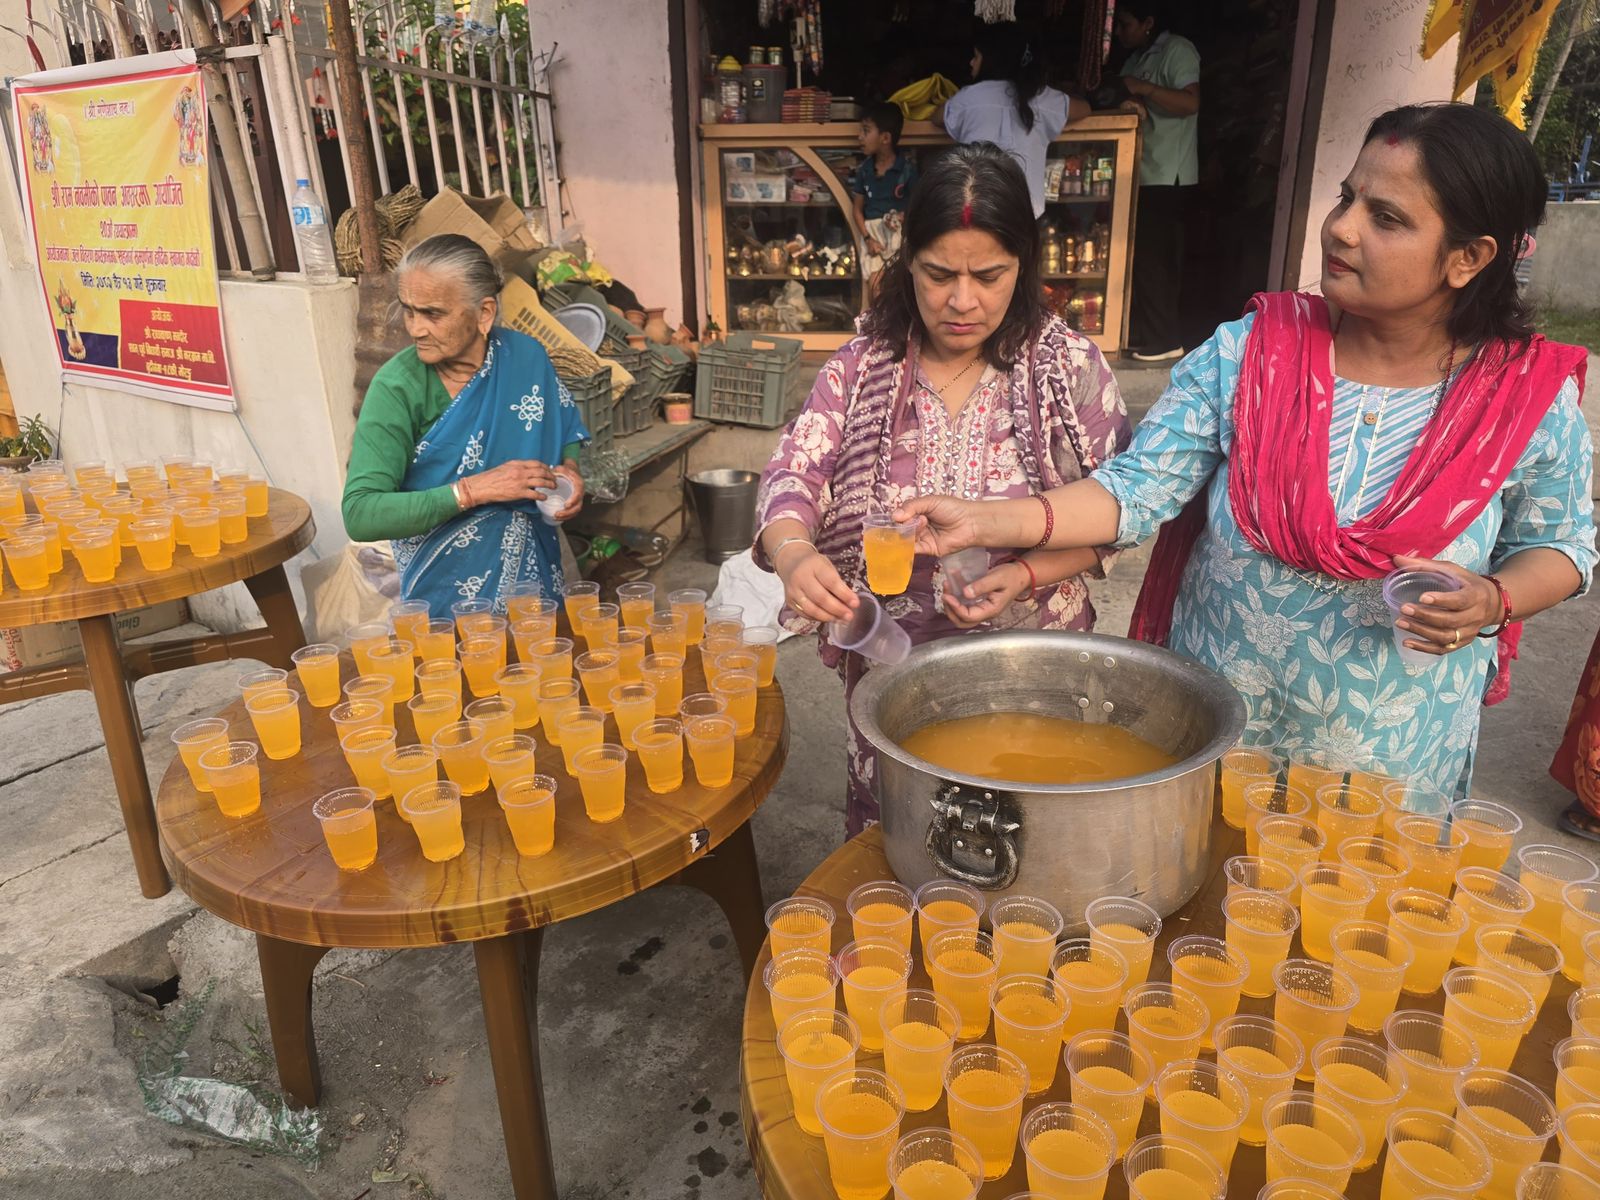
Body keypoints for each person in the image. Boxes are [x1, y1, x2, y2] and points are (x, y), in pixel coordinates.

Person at [899, 103, 1595, 801]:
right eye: (1347, 197)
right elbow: (1135, 491)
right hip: (1222, 734)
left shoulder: (1522, 398)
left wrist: (1494, 599)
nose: (1342, 227)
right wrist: (984, 521)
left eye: (1386, 218)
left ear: (1469, 258)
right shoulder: (1250, 356)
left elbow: (1562, 546)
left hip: (1394, 764)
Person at [754, 143, 1130, 835]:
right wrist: (794, 554)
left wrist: (1024, 574)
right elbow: (792, 475)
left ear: (1024, 265)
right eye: (938, 274)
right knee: (899, 835)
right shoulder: (862, 366)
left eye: (989, 276)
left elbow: (1117, 514)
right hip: (892, 663)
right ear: (908, 263)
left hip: (1031, 658)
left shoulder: (1067, 369)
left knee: (1027, 833)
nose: (962, 301)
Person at [342, 234, 588, 615]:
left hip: (533, 587)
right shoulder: (397, 388)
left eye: (432, 314)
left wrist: (569, 471)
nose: (415, 329)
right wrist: (472, 491)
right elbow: (361, 513)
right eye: (408, 311)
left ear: (484, 313)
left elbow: (566, 425)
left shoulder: (526, 358)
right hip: (448, 600)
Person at [1116, 0, 1200, 363]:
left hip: (1168, 173)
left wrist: (1144, 89)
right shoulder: (1135, 58)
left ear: (1148, 22)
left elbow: (1190, 102)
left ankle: (1165, 339)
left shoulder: (1177, 50)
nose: (1119, 32)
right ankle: (1143, 331)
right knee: (1139, 258)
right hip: (1140, 172)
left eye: (1125, 24)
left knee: (1156, 260)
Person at [937, 21, 1089, 220]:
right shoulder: (1042, 98)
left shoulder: (969, 98)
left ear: (992, 61)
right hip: (1024, 214)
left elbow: (937, 116)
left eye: (976, 56)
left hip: (978, 211)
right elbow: (1084, 109)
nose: (971, 63)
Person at [852, 102, 917, 288]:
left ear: (885, 138)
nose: (859, 136)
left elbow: (918, 206)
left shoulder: (906, 170)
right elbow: (857, 209)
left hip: (898, 236)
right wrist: (868, 238)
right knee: (875, 284)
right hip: (872, 236)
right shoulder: (865, 171)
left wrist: (902, 217)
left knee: (898, 285)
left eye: (866, 131)